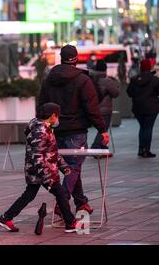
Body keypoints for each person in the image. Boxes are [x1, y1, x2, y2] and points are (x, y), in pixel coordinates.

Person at [39, 44, 109, 217]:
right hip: (76, 130)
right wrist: (102, 130)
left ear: (60, 58)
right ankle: (61, 203)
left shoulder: (49, 79)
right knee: (74, 166)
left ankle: (81, 203)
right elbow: (92, 107)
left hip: (55, 130)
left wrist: (43, 127)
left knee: (71, 168)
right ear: (76, 59)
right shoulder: (83, 80)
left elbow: (41, 105)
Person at [0, 103, 78, 233]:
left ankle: (6, 218)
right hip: (42, 171)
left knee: (29, 195)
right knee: (61, 193)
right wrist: (47, 177)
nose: (58, 119)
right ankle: (70, 223)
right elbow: (37, 156)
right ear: (52, 116)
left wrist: (64, 167)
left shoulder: (45, 128)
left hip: (37, 170)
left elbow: (51, 152)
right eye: (57, 116)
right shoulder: (41, 131)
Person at [127, 59, 159, 158]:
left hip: (138, 108)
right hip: (151, 108)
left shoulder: (134, 79)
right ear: (149, 67)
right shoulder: (154, 79)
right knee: (148, 128)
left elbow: (129, 92)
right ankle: (146, 150)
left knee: (142, 127)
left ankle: (141, 149)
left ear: (141, 67)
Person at [90, 60, 120, 149]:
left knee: (101, 128)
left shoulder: (90, 79)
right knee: (103, 129)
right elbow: (116, 94)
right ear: (105, 69)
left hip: (93, 108)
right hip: (105, 110)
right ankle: (95, 146)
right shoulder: (108, 81)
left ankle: (102, 146)